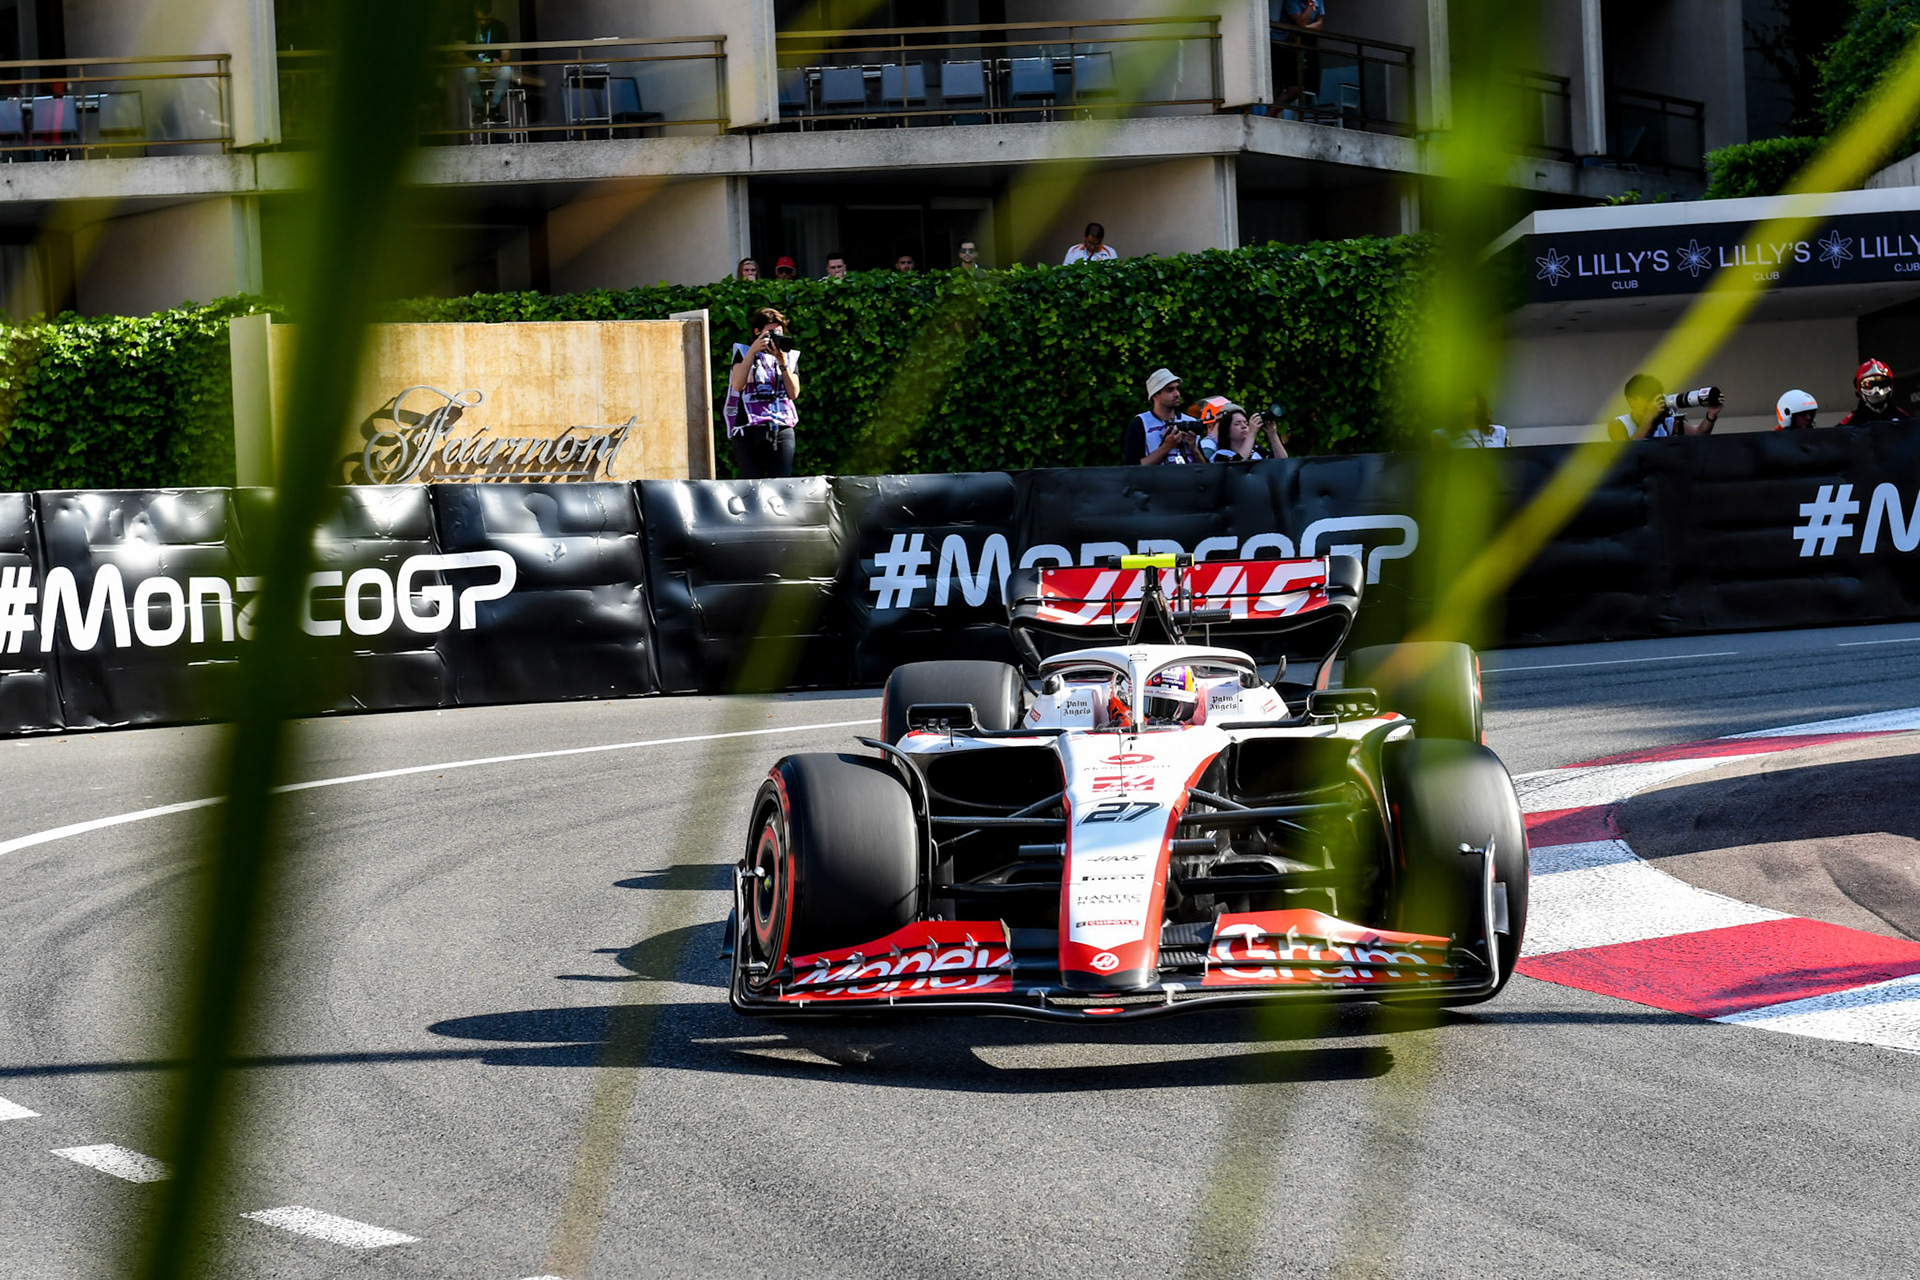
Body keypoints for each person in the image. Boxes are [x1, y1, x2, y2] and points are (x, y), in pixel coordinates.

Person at [725, 307, 801, 479]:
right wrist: (753, 351)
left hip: (781, 426)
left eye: (779, 333)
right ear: (757, 332)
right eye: (771, 333)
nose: (775, 338)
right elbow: (737, 385)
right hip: (749, 427)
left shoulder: (789, 357)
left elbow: (793, 393)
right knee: (751, 483)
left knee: (782, 482)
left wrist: (782, 361)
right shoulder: (743, 353)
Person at [1122, 368, 1200, 465]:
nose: (1177, 394)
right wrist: (1166, 446)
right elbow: (1132, 468)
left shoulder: (1189, 422)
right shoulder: (1141, 423)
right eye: (1170, 390)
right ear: (1155, 395)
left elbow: (1206, 470)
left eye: (1178, 388)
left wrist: (1194, 448)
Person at [1608, 373, 1721, 440]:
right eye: (1648, 400)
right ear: (1631, 401)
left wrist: (1711, 415)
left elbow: (1699, 434)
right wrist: (1649, 419)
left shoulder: (1666, 421)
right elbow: (1627, 456)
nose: (1652, 404)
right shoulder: (1618, 424)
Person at [462, 5, 512, 135]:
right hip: (474, 66)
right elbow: (459, 54)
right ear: (474, 13)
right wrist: (472, 62)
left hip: (493, 66)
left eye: (486, 20)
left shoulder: (500, 26)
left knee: (507, 70)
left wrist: (500, 61)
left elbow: (506, 53)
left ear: (491, 14)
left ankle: (494, 108)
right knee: (468, 71)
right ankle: (479, 107)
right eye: (480, 19)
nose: (483, 22)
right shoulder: (466, 26)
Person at [1203, 403, 1288, 462]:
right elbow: (1238, 463)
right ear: (1227, 432)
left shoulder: (1258, 452)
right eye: (1237, 424)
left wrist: (1273, 435)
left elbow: (1283, 461)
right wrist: (1252, 433)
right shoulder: (1220, 455)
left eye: (1246, 423)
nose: (1244, 426)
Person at [1838, 358, 1912, 425]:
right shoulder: (1850, 424)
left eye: (1882, 384)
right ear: (1859, 388)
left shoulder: (1903, 419)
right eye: (1869, 384)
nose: (1876, 390)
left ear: (1890, 386)